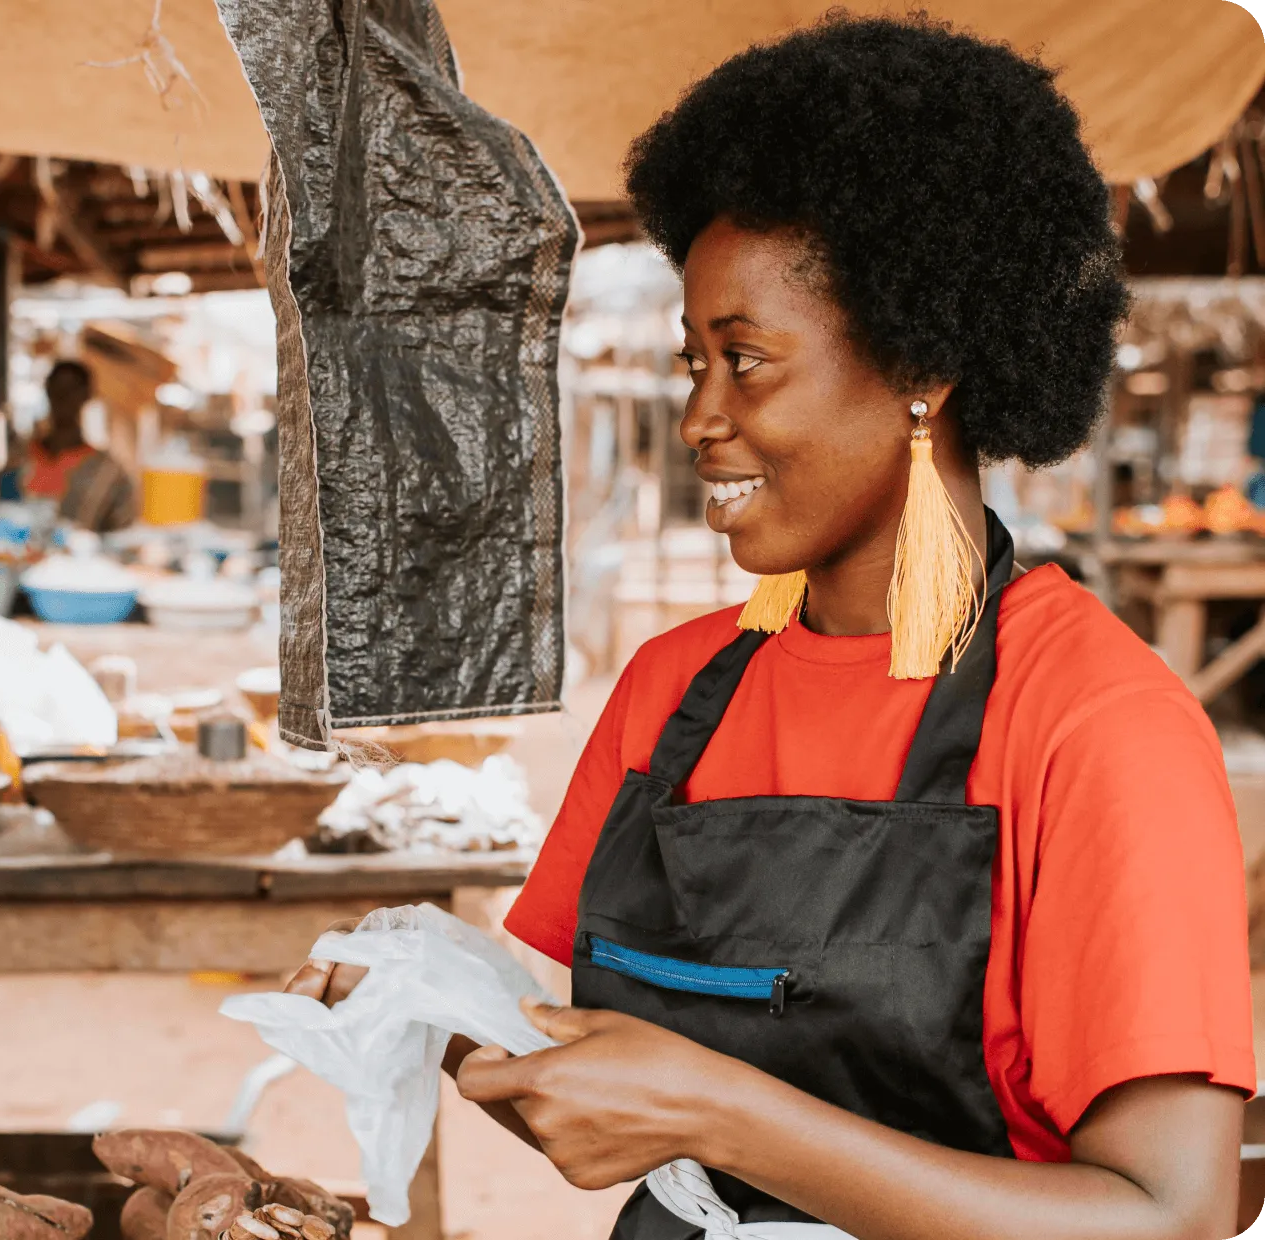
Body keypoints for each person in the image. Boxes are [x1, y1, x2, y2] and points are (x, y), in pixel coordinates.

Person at [288, 15, 1255, 1240]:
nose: (698, 417)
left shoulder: (1095, 726)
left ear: (922, 365)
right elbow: (610, 1103)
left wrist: (726, 1111)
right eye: (691, 360)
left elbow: (1167, 1219)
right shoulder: (668, 692)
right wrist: (441, 1003)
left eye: (744, 360)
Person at [16, 360, 136, 533]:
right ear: (47, 391)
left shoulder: (108, 473)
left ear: (87, 395)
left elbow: (122, 535)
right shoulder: (19, 459)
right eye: (57, 388)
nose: (63, 396)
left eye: (72, 389)